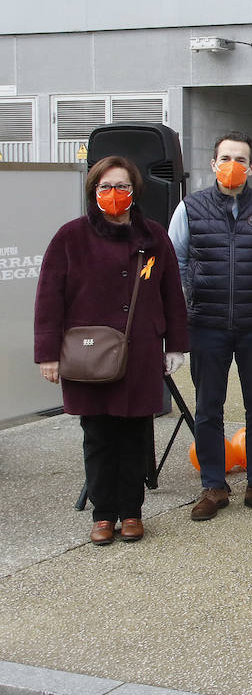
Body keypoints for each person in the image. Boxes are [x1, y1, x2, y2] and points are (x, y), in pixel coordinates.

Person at [34, 157, 189, 545]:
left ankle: (132, 512)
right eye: (105, 187)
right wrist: (48, 353)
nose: (114, 194)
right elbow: (48, 298)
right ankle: (104, 514)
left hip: (140, 351)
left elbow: (172, 294)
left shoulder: (153, 236)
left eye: (122, 186)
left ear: (134, 192)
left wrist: (176, 346)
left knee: (136, 431)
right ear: (93, 192)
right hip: (88, 354)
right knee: (98, 433)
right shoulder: (71, 237)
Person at [168, 131, 252, 520]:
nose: (232, 165)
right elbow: (177, 260)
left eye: (241, 159)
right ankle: (213, 486)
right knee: (208, 407)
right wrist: (197, 294)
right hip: (206, 323)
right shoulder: (190, 208)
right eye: (226, 158)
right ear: (213, 163)